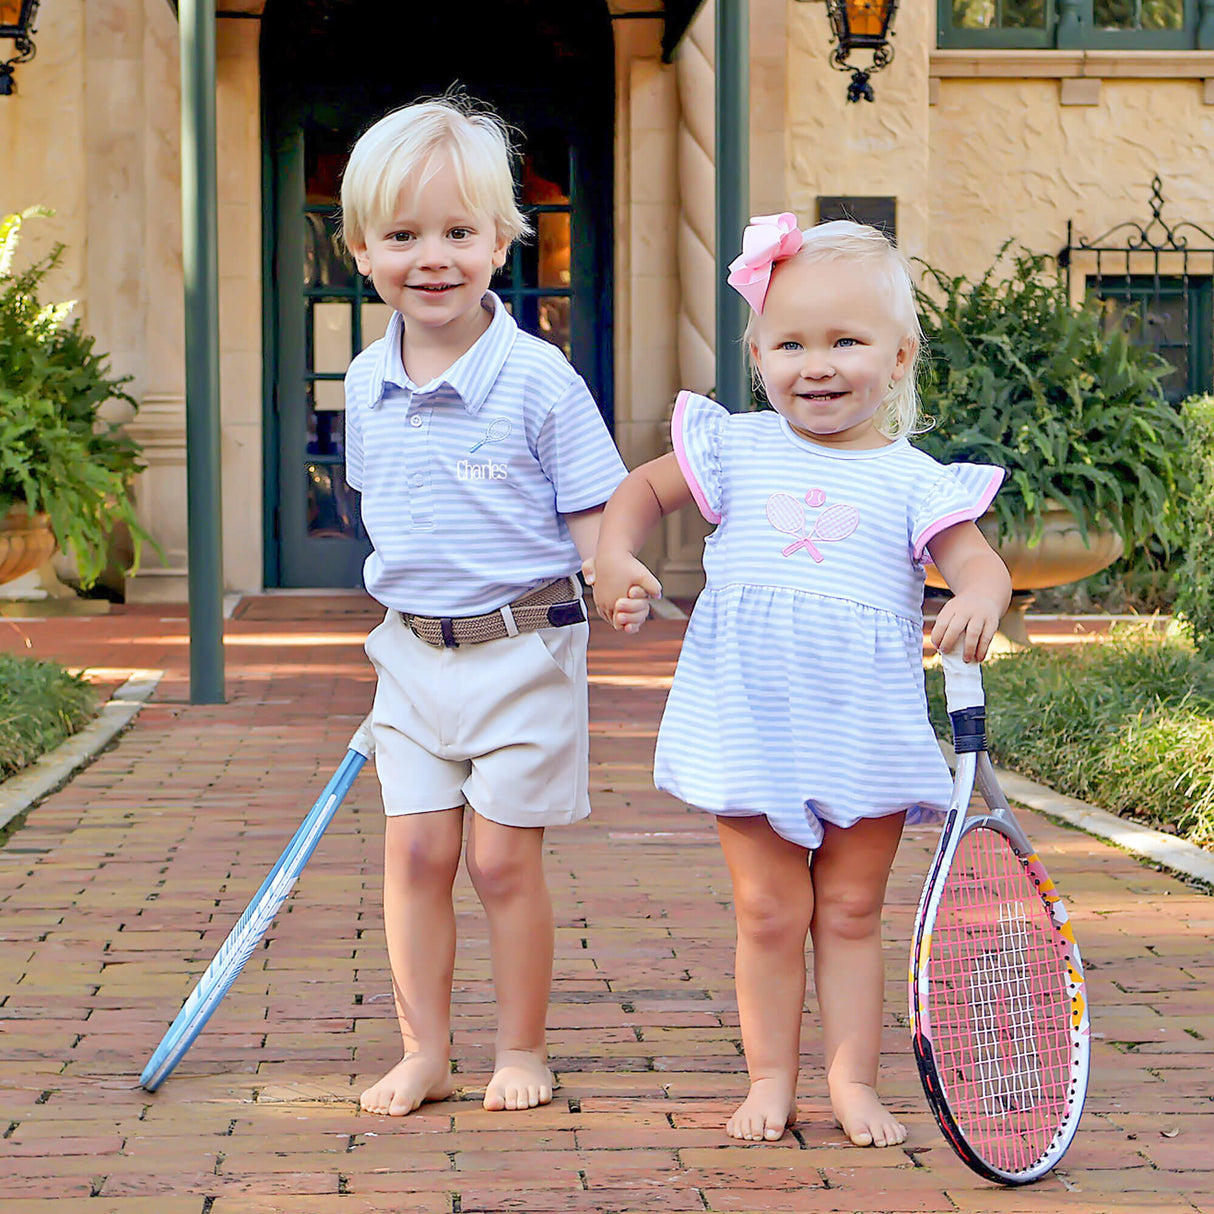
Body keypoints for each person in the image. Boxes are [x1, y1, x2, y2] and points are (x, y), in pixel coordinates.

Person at [588, 216, 1012, 1148]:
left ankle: (852, 1080)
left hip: (861, 721)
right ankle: (771, 1077)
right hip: (751, 718)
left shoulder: (911, 479)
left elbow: (976, 563)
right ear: (757, 354)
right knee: (770, 910)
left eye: (846, 342)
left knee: (854, 910)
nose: (816, 365)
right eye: (790, 344)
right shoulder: (736, 447)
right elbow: (642, 494)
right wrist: (615, 555)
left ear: (899, 358)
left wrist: (980, 597)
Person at [340, 97, 627, 1118]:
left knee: (501, 859)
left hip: (523, 651)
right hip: (413, 657)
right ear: (361, 249)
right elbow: (388, 518)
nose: (433, 257)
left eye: (459, 232)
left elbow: (592, 506)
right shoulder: (366, 377)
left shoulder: (537, 380)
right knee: (416, 851)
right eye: (404, 234)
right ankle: (423, 1049)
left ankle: (522, 1044)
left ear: (502, 239)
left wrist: (615, 571)